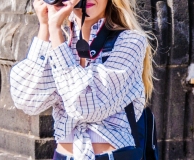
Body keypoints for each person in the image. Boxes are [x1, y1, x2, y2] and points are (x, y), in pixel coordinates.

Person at [10, 0, 154, 159]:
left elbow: (87, 107)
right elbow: (27, 100)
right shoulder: (61, 41)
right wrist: (46, 27)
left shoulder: (129, 42)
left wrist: (57, 39)